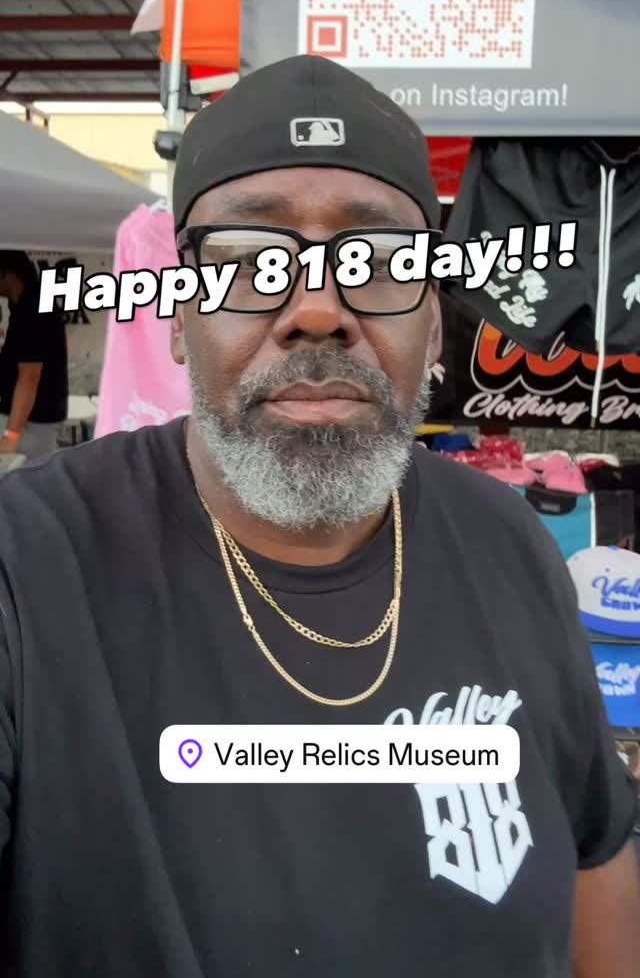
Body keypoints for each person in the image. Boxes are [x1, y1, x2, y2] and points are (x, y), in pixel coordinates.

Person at [0, 56, 638, 977]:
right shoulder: (26, 566)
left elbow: (594, 852)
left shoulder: (509, 541)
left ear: (434, 317)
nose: (315, 311)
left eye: (377, 260)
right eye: (250, 262)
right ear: (175, 313)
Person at [0, 250, 68, 459]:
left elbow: (29, 376)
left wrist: (11, 435)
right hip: (27, 421)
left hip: (30, 424)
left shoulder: (34, 310)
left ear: (8, 275)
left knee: (19, 476)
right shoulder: (25, 306)